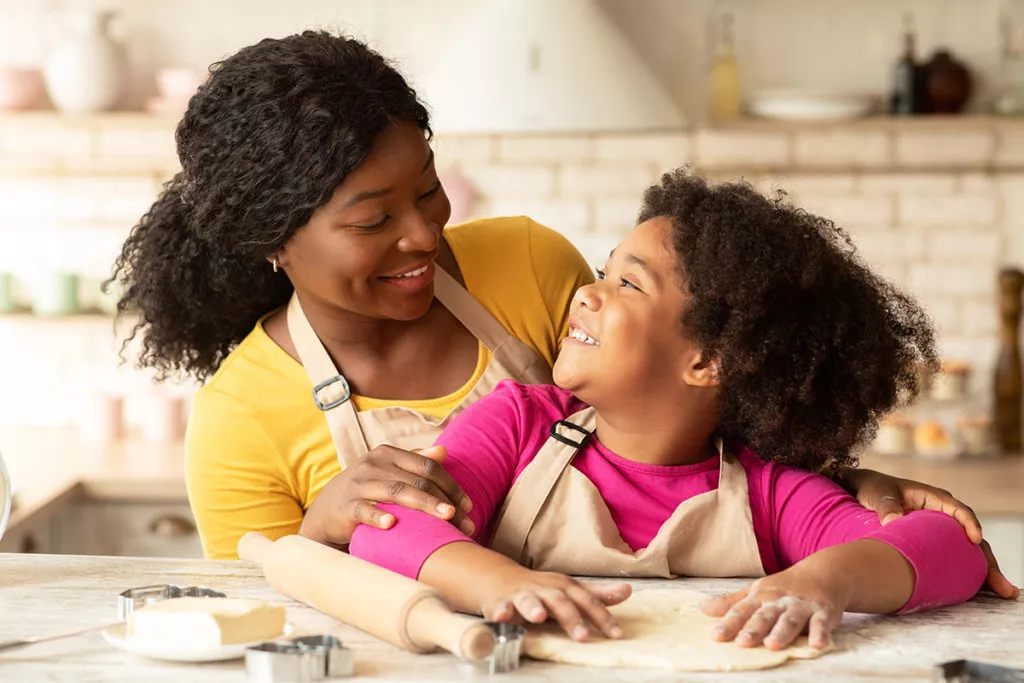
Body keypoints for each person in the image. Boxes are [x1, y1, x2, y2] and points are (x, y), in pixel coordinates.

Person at [109, 31, 1015, 599]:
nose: (425, 233)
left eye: (428, 192)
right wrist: (323, 531)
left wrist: (844, 489)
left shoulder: (530, 264)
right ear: (273, 240)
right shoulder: (241, 416)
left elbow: (680, 379)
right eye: (374, 220)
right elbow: (251, 619)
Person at [349, 170, 990, 650]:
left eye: (627, 283)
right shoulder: (517, 424)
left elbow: (951, 550)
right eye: (602, 273)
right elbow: (391, 526)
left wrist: (826, 581)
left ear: (708, 362)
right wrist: (497, 583)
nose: (586, 295)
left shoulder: (769, 490)